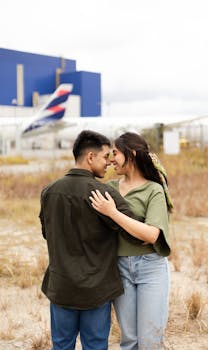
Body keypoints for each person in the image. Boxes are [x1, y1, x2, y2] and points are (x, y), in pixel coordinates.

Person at [39, 130, 143, 350]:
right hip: (96, 290)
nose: (109, 162)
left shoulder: (49, 192)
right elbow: (134, 230)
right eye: (106, 157)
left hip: (61, 288)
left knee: (61, 345)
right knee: (95, 346)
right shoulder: (104, 194)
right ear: (90, 157)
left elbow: (46, 233)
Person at [90, 132, 173, 350]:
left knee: (149, 341)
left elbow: (152, 235)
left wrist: (113, 213)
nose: (110, 160)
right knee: (129, 340)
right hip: (120, 267)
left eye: (115, 153)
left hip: (150, 267)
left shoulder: (153, 190)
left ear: (132, 154)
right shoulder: (111, 189)